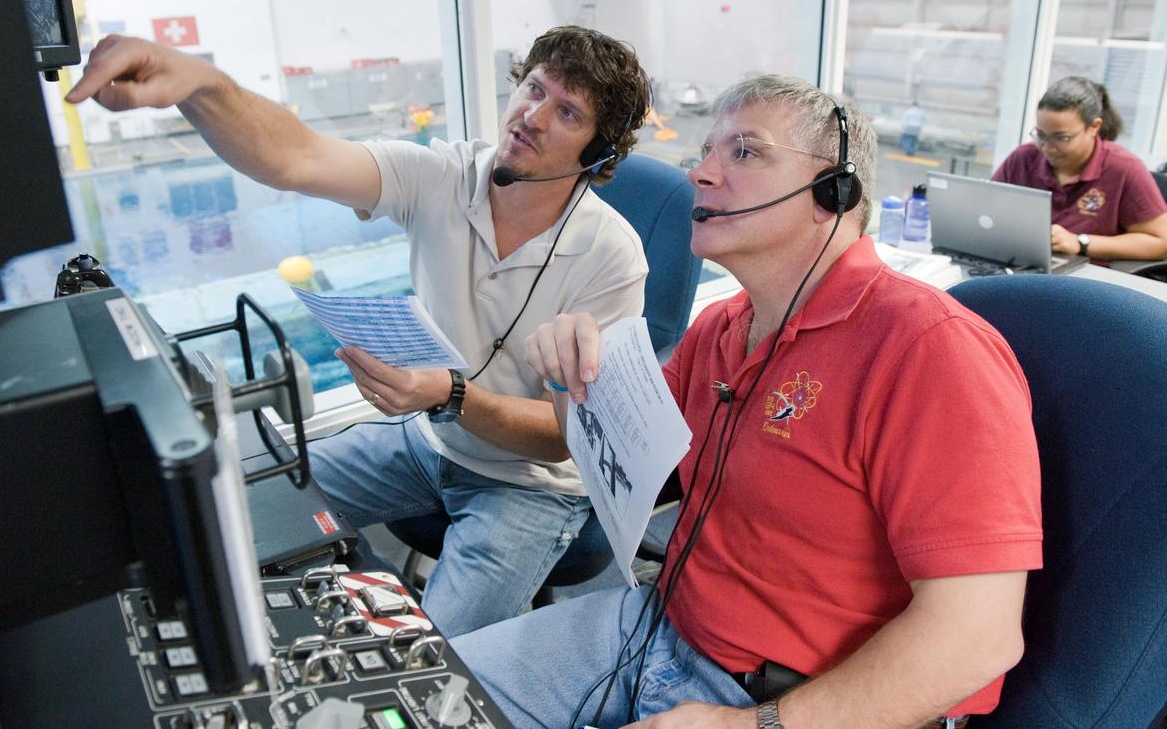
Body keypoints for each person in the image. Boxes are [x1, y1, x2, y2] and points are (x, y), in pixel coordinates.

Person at [451, 75, 1042, 728]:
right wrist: (574, 377)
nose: (700, 174)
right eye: (706, 152)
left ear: (833, 193)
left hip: (792, 700)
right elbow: (621, 466)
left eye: (744, 152)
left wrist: (752, 726)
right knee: (427, 696)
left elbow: (976, 637)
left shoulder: (931, 350)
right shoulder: (723, 326)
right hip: (655, 623)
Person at [64, 26, 653, 637]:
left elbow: (565, 440)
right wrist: (202, 85)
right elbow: (297, 158)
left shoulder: (611, 256)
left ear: (598, 152)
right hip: (428, 444)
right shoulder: (441, 177)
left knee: (437, 659)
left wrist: (449, 395)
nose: (531, 115)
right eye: (533, 87)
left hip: (530, 489)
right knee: (238, 497)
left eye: (567, 112)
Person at [992, 75, 1167, 263]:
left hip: (1088, 277)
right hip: (1022, 263)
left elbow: (1160, 241)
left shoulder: (1124, 168)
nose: (1047, 147)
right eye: (1041, 135)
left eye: (1062, 138)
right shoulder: (1024, 157)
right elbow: (986, 211)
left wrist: (1081, 243)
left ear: (1093, 127)